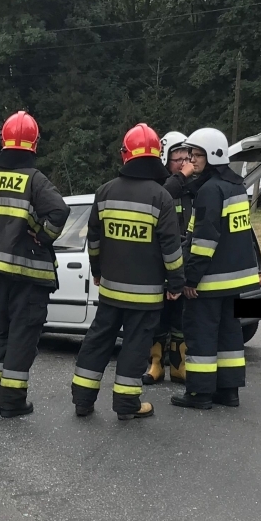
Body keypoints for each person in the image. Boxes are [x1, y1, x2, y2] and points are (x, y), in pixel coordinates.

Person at [0, 110, 69, 418]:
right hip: (29, 275)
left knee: (5, 334)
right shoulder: (35, 179)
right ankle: (13, 402)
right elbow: (59, 212)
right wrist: (41, 235)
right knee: (23, 337)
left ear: (3, 140)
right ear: (34, 144)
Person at [71, 124, 184, 421]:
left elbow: (93, 241)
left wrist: (96, 271)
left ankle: (82, 401)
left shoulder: (105, 192)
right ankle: (126, 405)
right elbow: (171, 250)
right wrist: (176, 283)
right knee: (135, 347)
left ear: (126, 155)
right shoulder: (161, 198)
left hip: (110, 290)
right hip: (146, 296)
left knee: (97, 341)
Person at [172, 127, 260, 410]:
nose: (191, 160)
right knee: (230, 335)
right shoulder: (236, 186)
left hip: (211, 282)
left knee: (201, 335)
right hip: (238, 283)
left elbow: (205, 241)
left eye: (195, 155)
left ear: (210, 155)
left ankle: (199, 394)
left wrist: (190, 279)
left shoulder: (210, 191)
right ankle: (229, 391)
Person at [146, 130, 192, 385]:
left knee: (180, 320)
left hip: (184, 265)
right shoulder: (162, 184)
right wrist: (181, 176)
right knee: (158, 320)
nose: (184, 164)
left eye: (188, 158)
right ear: (166, 160)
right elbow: (164, 193)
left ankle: (178, 366)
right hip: (160, 266)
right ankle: (155, 365)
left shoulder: (191, 188)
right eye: (178, 159)